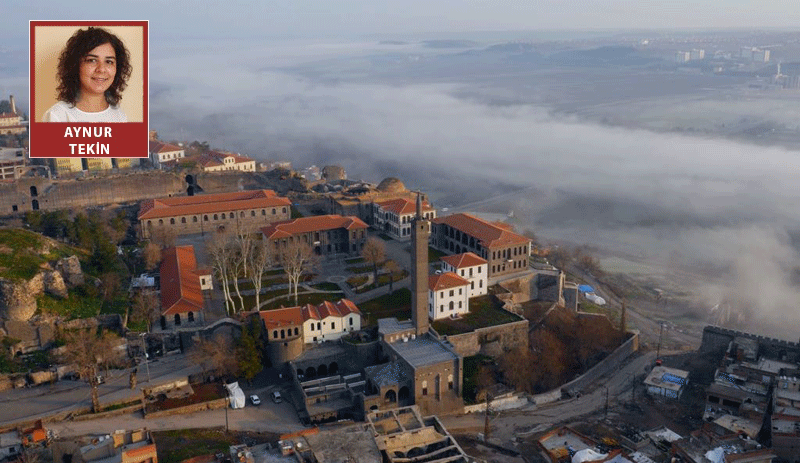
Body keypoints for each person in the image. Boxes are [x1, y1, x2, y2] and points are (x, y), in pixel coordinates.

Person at [42, 27, 132, 122]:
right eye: (92, 60)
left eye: (109, 61)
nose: (101, 69)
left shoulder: (119, 116)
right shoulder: (56, 116)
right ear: (75, 65)